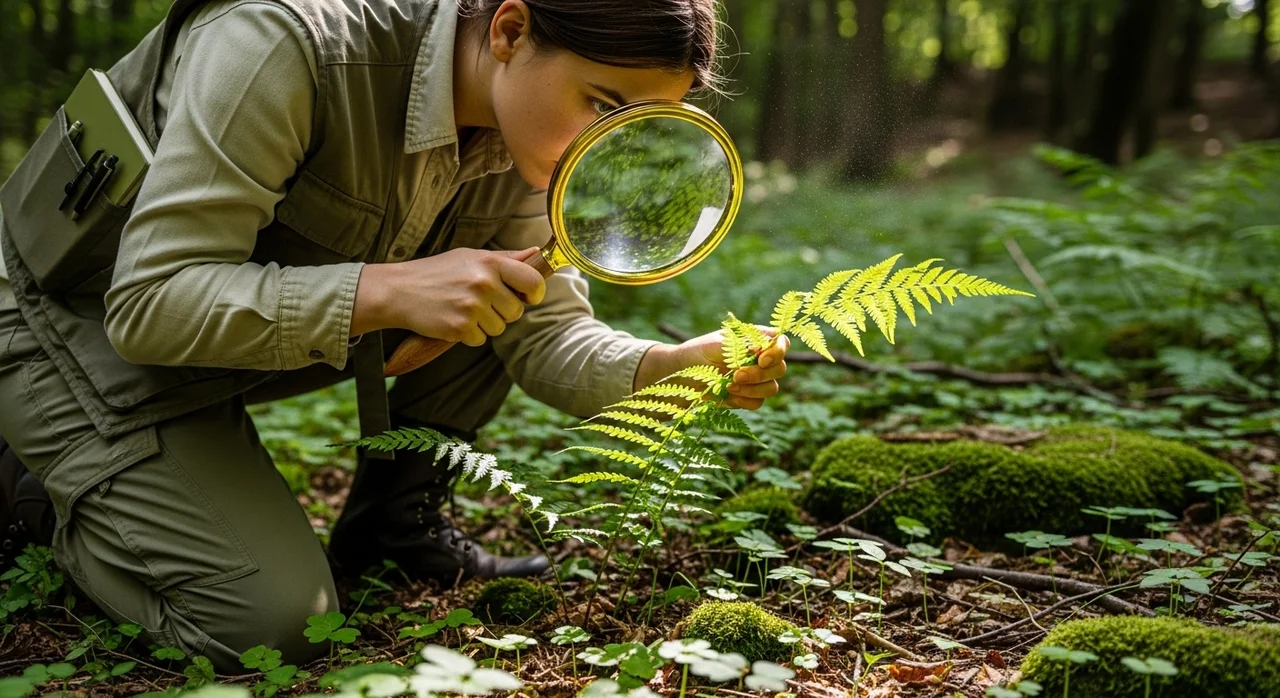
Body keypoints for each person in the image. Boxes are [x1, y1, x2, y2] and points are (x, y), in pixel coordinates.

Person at [0, 0, 790, 671]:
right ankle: (26, 482)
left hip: (218, 339)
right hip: (63, 319)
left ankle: (391, 529)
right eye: (602, 105)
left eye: (637, 124)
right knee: (267, 625)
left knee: (497, 291)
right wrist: (385, 290)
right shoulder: (283, 45)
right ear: (510, 30)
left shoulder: (528, 132)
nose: (605, 145)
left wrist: (661, 368)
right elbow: (149, 303)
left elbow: (544, 328)